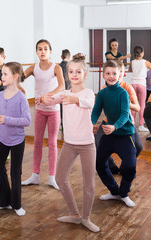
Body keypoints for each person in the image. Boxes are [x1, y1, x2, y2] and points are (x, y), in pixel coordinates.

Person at [45, 53, 99, 232]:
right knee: (60, 178)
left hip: (87, 145)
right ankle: (75, 214)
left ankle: (86, 218)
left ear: (84, 75)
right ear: (67, 74)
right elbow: (53, 98)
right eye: (71, 72)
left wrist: (76, 100)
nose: (74, 74)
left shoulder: (88, 93)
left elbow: (89, 103)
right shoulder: (64, 93)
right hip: (69, 144)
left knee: (88, 184)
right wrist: (46, 98)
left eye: (78, 72)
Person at [0, 62, 31, 216]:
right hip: (1, 139)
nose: (1, 76)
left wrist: (7, 119)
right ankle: (3, 201)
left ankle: (16, 204)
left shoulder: (21, 98)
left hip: (17, 140)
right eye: (1, 74)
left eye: (5, 74)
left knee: (16, 173)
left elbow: (27, 120)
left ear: (15, 76)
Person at [91, 60, 137, 208]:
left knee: (129, 167)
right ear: (104, 75)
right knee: (99, 164)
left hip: (124, 134)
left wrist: (114, 126)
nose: (111, 76)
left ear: (120, 75)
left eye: (114, 73)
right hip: (109, 134)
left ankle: (123, 193)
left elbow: (125, 114)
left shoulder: (123, 93)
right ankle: (114, 191)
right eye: (108, 73)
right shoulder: (102, 93)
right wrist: (92, 123)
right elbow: (96, 111)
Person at [21, 39, 65, 190]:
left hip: (53, 110)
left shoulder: (56, 67)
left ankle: (52, 177)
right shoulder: (33, 68)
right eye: (39, 49)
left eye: (45, 49)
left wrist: (48, 95)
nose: (42, 51)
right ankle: (35, 175)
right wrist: (17, 84)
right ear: (36, 52)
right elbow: (19, 77)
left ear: (50, 51)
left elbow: (62, 85)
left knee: (52, 143)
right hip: (40, 110)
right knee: (37, 142)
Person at [95, 61, 142, 175]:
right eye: (116, 72)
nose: (117, 75)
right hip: (108, 122)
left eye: (120, 72)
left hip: (126, 123)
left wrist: (125, 103)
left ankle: (125, 166)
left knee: (139, 147)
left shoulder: (128, 88)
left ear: (123, 73)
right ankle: (112, 167)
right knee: (97, 143)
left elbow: (137, 108)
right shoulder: (106, 87)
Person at [129, 45, 151, 132]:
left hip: (133, 84)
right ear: (142, 53)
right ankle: (141, 125)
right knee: (142, 105)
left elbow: (130, 70)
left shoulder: (132, 62)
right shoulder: (146, 62)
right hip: (142, 85)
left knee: (133, 105)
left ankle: (132, 124)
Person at [59, 49, 71, 131]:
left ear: (61, 56)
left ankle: (62, 124)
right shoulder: (69, 66)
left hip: (60, 89)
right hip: (68, 88)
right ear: (69, 56)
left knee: (61, 107)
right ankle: (67, 124)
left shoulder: (58, 66)